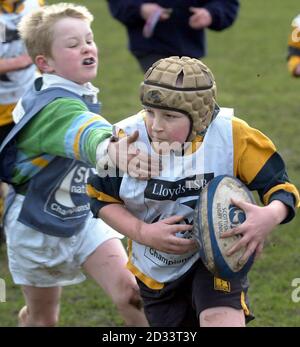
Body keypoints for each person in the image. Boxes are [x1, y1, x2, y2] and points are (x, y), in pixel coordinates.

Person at [87, 56, 300, 327]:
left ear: (200, 116)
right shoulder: (125, 141)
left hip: (216, 258)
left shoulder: (232, 136)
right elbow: (100, 198)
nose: (156, 125)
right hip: (156, 268)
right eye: (150, 112)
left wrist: (268, 216)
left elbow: (282, 189)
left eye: (170, 116)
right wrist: (143, 233)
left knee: (220, 319)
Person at [0, 2, 165, 327]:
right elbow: (83, 131)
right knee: (43, 319)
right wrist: (112, 148)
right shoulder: (52, 106)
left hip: (82, 215)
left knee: (133, 293)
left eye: (89, 39)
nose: (87, 48)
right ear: (45, 63)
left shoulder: (74, 91)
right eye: (73, 45)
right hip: (36, 226)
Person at [0, 0, 43, 245]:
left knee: (26, 172)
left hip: (27, 105)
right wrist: (21, 61)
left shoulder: (34, 4)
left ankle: (27, 225)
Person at [107, 0, 240, 72]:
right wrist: (140, 9)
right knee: (168, 93)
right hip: (151, 46)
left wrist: (211, 13)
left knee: (190, 99)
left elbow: (227, 3)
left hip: (188, 45)